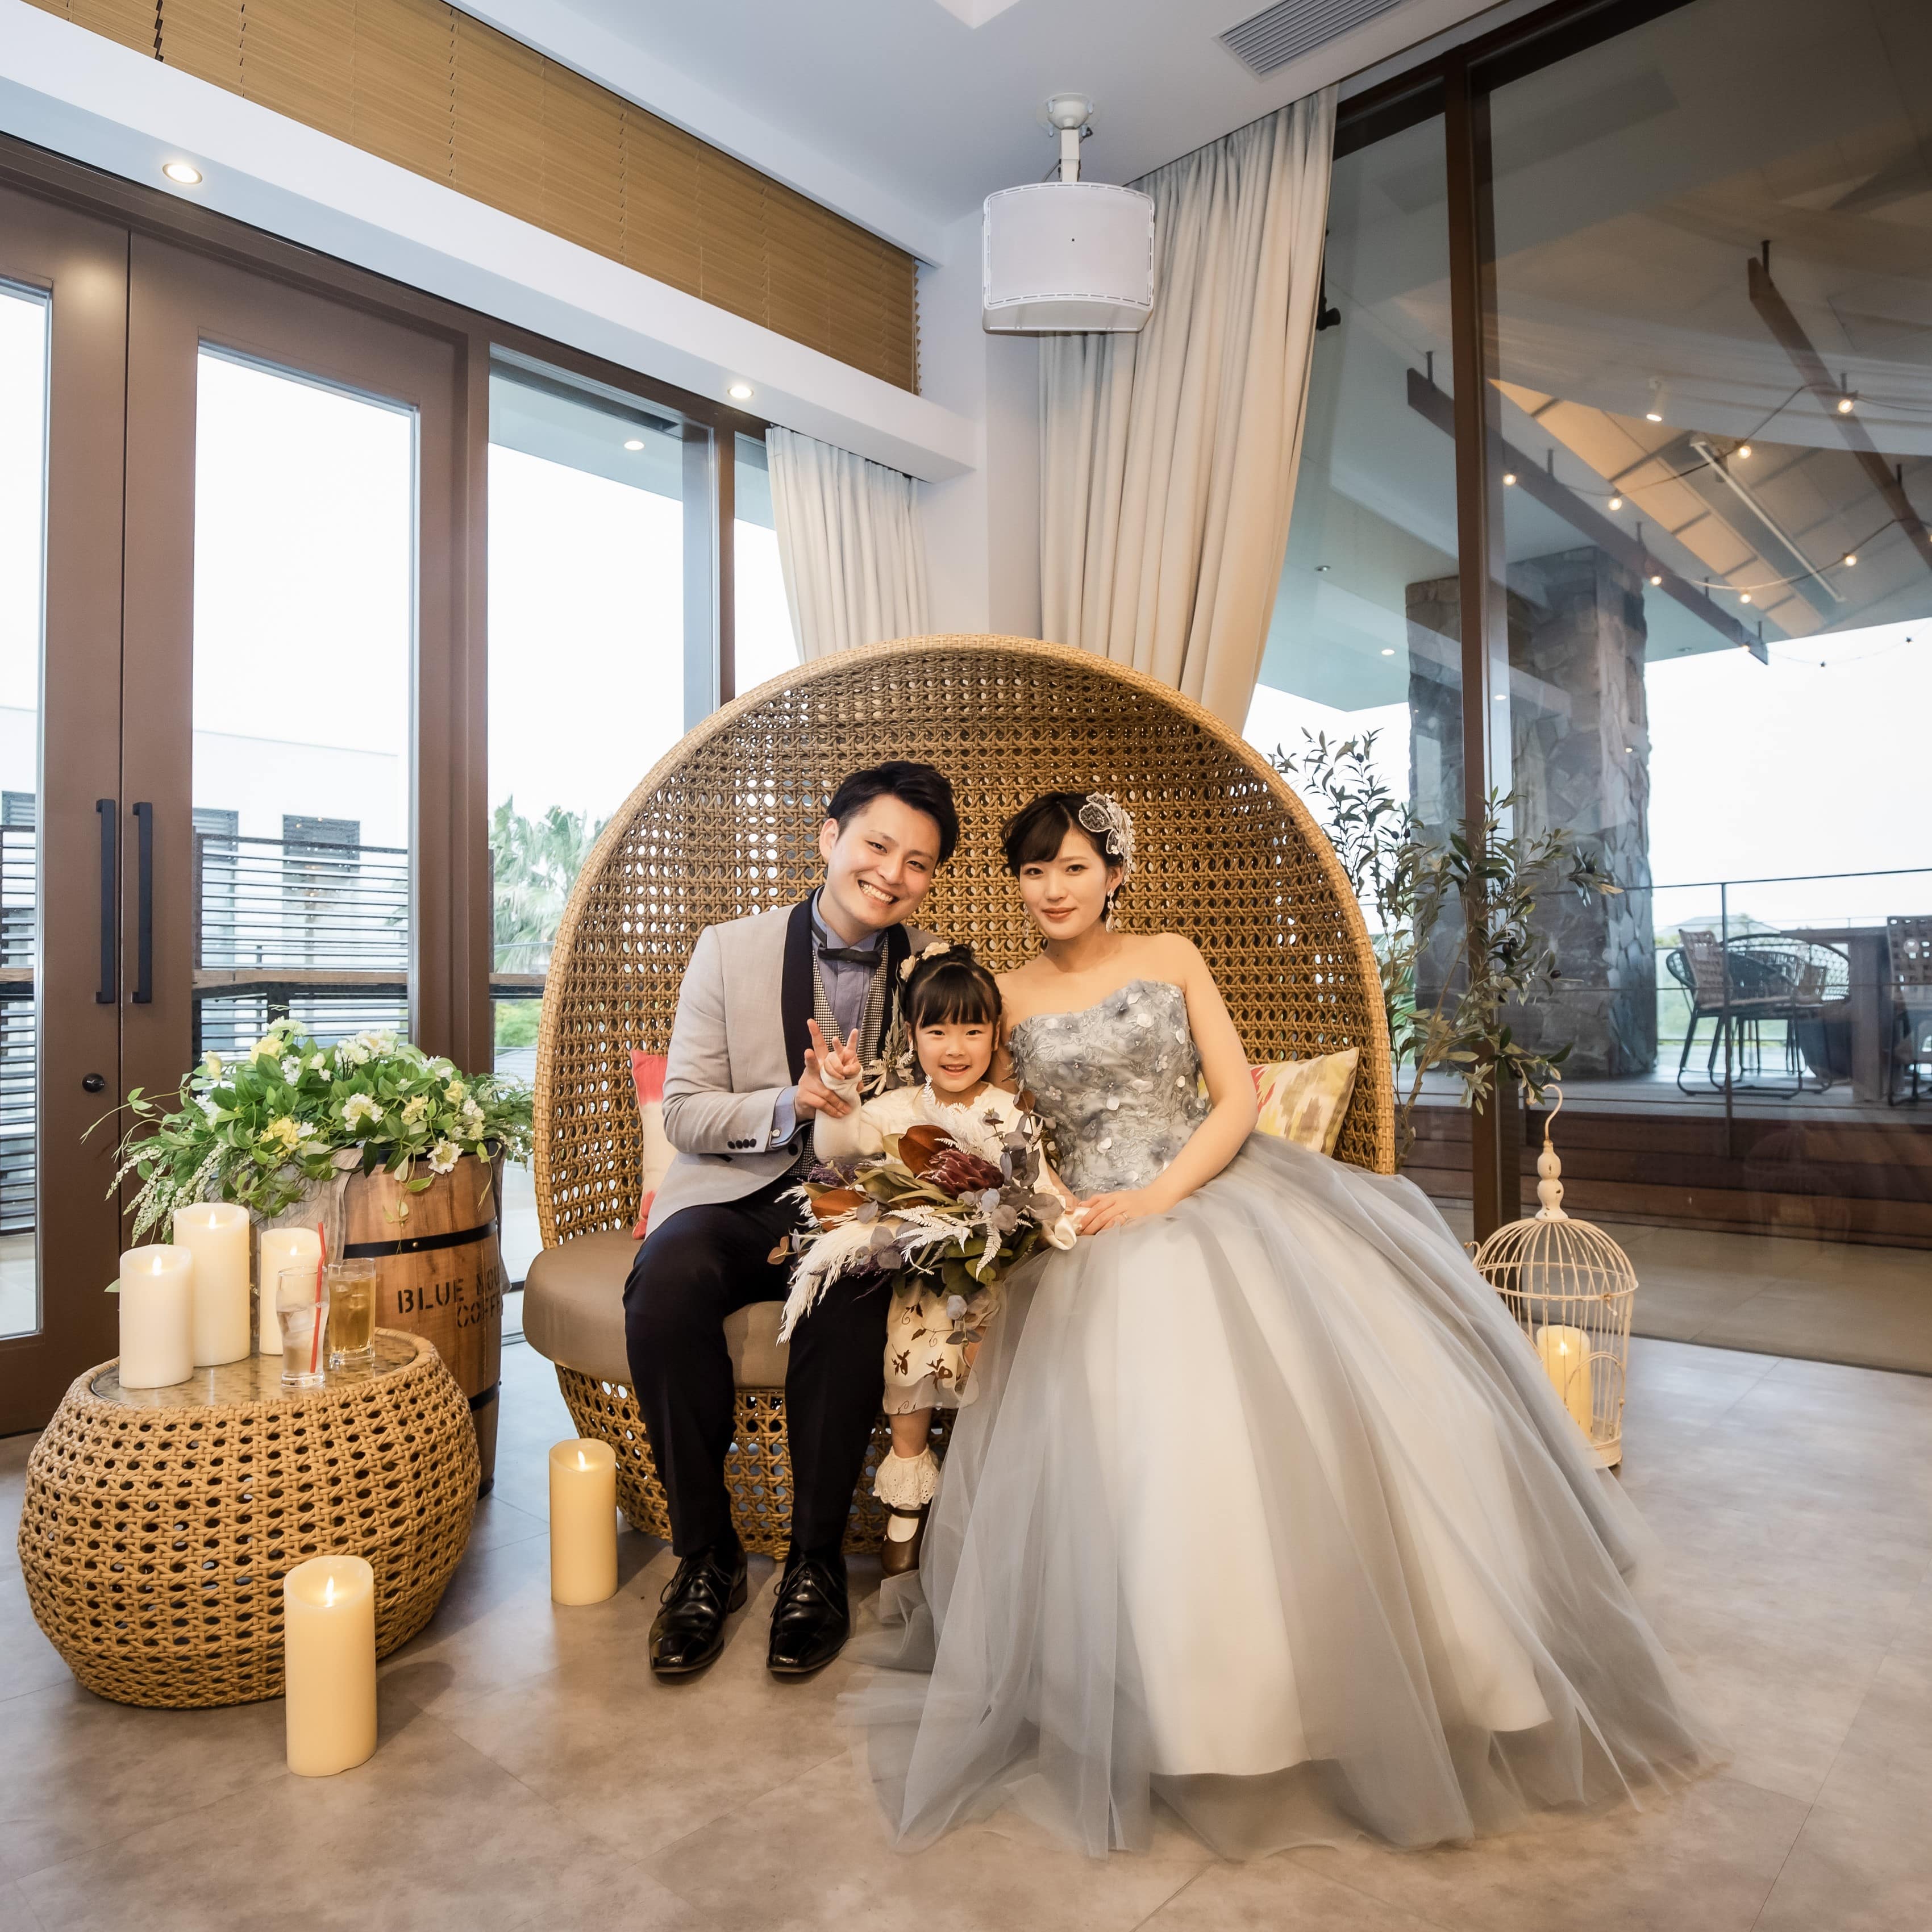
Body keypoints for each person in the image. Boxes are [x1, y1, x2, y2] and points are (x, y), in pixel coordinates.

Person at [844, 791, 1722, 1858]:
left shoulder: (1172, 955)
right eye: (1034, 872)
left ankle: (1379, 1683)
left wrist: (1160, 1197)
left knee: (1349, 1395)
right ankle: (1180, 1709)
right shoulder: (1007, 992)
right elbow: (998, 1126)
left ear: (1113, 872)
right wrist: (1049, 1200)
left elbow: (1233, 1099)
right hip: (1087, 1225)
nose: (1053, 890)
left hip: (1213, 1191)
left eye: (1073, 866)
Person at [624, 760, 956, 1680]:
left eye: (918, 863)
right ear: (830, 837)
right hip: (732, 1196)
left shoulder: (937, 967)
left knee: (853, 1290)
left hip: (855, 1203)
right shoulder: (727, 949)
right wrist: (791, 1104)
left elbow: (952, 1103)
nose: (892, 874)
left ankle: (816, 1562)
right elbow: (685, 1111)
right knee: (665, 1290)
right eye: (877, 845)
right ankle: (707, 1556)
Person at [786, 946, 1080, 1577]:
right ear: (912, 1034)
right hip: (921, 1275)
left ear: (995, 1036)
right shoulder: (897, 1109)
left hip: (996, 1268)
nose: (955, 1048)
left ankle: (995, 1491)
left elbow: (1042, 1185)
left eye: (972, 1030)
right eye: (937, 1030)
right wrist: (840, 1092)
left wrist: (1062, 1221)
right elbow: (838, 1153)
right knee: (912, 1325)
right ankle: (907, 1500)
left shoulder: (1007, 1111)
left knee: (1002, 1328)